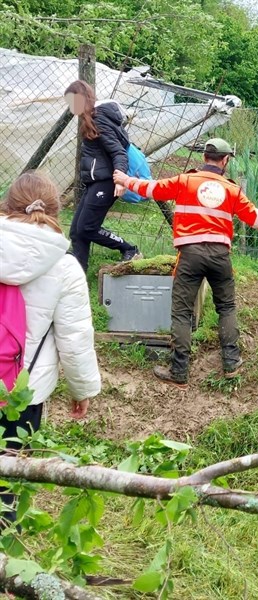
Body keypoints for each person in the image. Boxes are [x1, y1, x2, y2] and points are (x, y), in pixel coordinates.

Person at [113, 138, 258, 387]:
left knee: (181, 312)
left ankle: (179, 371)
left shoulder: (185, 181)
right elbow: (256, 217)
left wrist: (126, 180)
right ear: (225, 161)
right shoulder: (232, 190)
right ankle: (231, 362)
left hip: (190, 256)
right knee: (227, 308)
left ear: (204, 158)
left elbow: (151, 189)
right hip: (220, 257)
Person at [0, 170, 101, 522]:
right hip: (23, 391)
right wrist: (81, 389)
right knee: (10, 473)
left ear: (6, 205)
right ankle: (6, 550)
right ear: (57, 212)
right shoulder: (66, 268)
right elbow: (74, 339)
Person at [64, 80, 142, 272]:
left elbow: (118, 152)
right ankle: (78, 273)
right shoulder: (90, 119)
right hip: (96, 182)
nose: (71, 106)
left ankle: (129, 249)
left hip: (107, 182)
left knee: (87, 228)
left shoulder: (98, 119)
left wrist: (121, 179)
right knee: (76, 231)